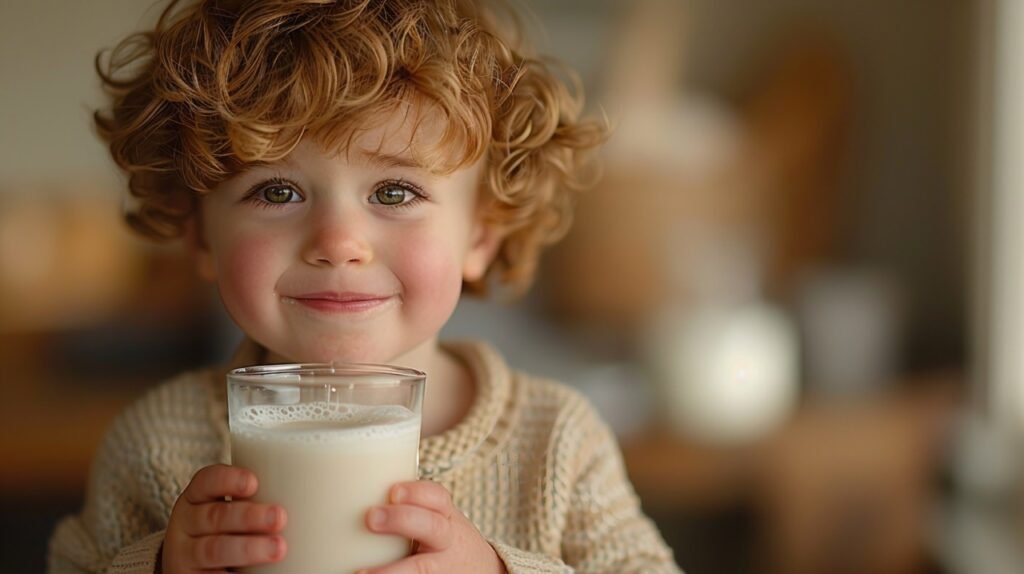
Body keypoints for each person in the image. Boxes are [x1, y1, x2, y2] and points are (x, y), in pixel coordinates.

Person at [48, 0, 682, 572]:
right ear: (198, 235)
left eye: (395, 191)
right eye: (277, 190)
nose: (337, 243)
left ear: (482, 233)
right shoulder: (156, 444)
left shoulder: (557, 442)